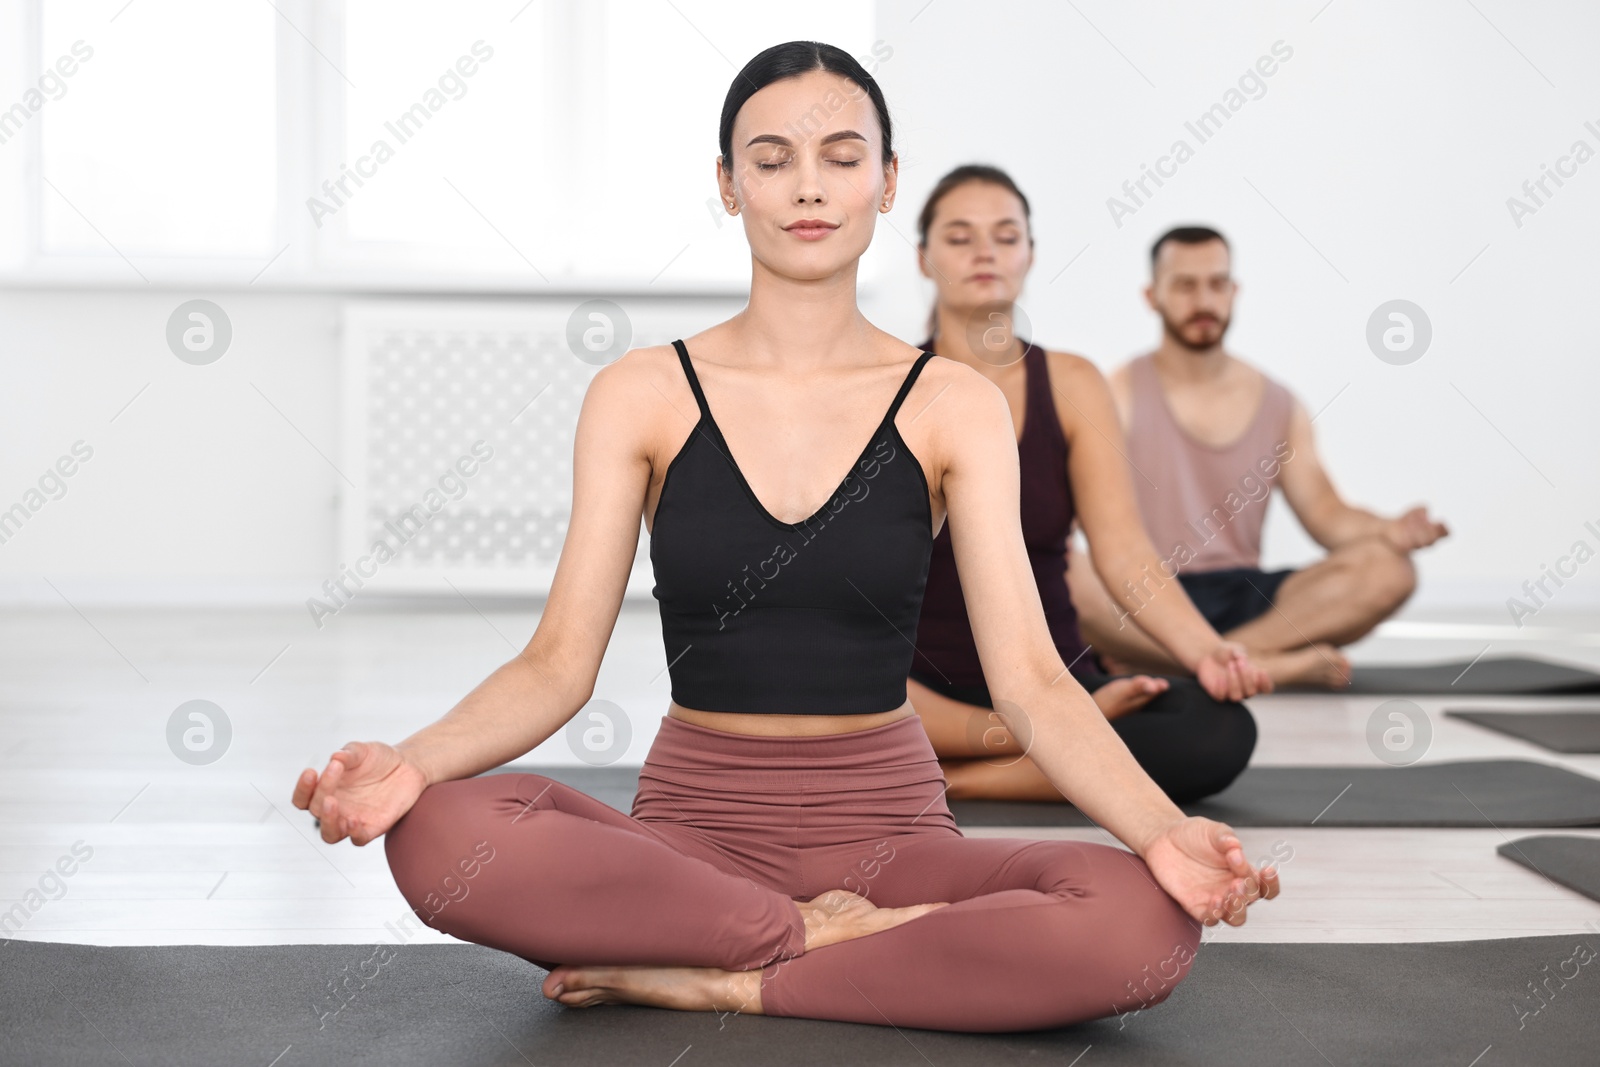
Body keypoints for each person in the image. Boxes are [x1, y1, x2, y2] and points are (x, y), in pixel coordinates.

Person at [291, 42, 1278, 1034]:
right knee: (437, 831)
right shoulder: (640, 393)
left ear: (888, 182)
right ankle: (827, 940)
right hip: (690, 840)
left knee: (1144, 924)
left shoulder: (951, 405)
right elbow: (555, 665)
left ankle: (728, 971)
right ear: (728, 185)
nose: (808, 185)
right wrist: (410, 761)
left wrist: (1164, 830)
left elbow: (1030, 681)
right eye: (770, 159)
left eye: (843, 157)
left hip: (893, 838)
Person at [905, 165, 1271, 806]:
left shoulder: (1073, 384)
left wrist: (1205, 650)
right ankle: (1026, 746)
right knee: (823, 696)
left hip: (1054, 683)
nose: (985, 251)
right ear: (923, 258)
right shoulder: (883, 385)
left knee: (1215, 731)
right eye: (960, 237)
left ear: (1030, 254)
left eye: (1005, 235)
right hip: (919, 694)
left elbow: (1124, 551)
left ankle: (956, 779)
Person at [1071, 225, 1448, 688]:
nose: (1203, 300)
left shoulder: (1278, 403)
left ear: (1235, 291)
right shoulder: (1118, 393)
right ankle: (1257, 663)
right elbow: (1078, 521)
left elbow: (1326, 513)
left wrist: (1387, 531)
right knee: (1061, 567)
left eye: (1216, 284)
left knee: (1390, 569)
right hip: (1146, 596)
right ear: (1152, 296)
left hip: (1245, 595)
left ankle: (1202, 662)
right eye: (1185, 286)